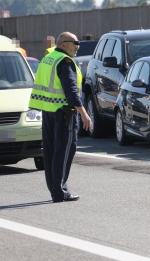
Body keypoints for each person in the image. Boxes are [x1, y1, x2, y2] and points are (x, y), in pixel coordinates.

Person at [29, 32, 93, 202]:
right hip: (64, 113)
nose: (78, 46)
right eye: (75, 43)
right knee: (64, 151)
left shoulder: (48, 58)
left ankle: (54, 189)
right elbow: (71, 92)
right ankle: (60, 191)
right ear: (64, 44)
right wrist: (85, 114)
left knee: (50, 152)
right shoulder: (65, 62)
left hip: (48, 111)